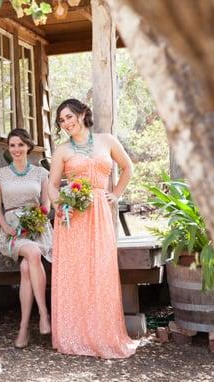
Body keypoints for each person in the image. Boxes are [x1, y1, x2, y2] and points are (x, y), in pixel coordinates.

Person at [49, 98, 138, 358]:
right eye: (61, 120)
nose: (66, 123)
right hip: (72, 215)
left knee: (101, 269)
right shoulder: (62, 150)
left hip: (99, 210)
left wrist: (116, 194)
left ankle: (103, 334)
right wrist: (61, 205)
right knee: (76, 273)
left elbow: (127, 167)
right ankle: (74, 334)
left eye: (69, 117)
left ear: (83, 113)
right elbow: (52, 185)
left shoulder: (106, 140)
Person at [0, 128, 52, 348]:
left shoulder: (40, 173)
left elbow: (46, 204)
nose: (16, 149)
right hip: (13, 231)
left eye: (20, 145)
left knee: (27, 267)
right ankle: (44, 315)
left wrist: (38, 218)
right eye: (12, 145)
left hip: (37, 227)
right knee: (32, 253)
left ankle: (24, 328)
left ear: (28, 146)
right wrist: (5, 226)